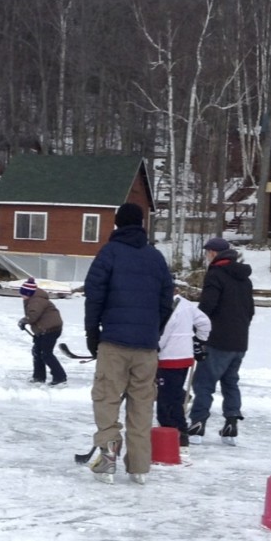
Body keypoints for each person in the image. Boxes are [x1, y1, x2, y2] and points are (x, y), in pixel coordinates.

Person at [83, 202, 173, 485]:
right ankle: (139, 467)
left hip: (114, 342)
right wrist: (153, 330)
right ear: (142, 225)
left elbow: (94, 295)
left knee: (107, 398)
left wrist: (92, 332)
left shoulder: (109, 253)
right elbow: (166, 300)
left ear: (118, 223)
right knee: (142, 405)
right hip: (146, 347)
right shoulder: (156, 257)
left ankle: (108, 457)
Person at [187, 237, 255, 446]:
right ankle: (231, 425)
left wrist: (196, 327)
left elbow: (208, 306)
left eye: (208, 252)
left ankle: (197, 424)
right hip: (239, 341)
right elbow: (250, 310)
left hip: (218, 339)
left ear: (214, 254)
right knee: (230, 382)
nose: (207, 256)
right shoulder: (245, 278)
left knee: (204, 383)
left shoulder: (215, 274)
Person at [156, 293, 211, 446]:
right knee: (170, 393)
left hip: (169, 358)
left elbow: (163, 334)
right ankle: (174, 430)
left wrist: (154, 350)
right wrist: (199, 341)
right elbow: (205, 322)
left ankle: (178, 433)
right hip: (185, 357)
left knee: (167, 399)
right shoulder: (186, 303)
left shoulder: (167, 305)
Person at [18, 277, 67, 387]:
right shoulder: (33, 299)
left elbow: (33, 315)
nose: (21, 296)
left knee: (46, 354)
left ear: (28, 293)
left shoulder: (37, 300)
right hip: (44, 330)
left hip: (50, 330)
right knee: (37, 351)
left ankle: (60, 377)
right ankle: (39, 377)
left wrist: (24, 321)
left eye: (23, 294)